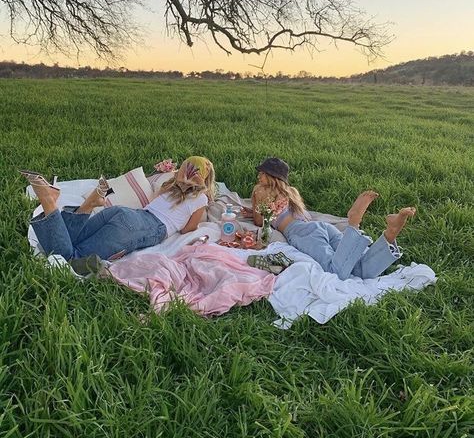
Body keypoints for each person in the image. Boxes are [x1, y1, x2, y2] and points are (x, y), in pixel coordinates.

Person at [247, 157, 416, 280]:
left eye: (262, 173)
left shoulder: (261, 190)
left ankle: (353, 224)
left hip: (300, 232)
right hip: (321, 227)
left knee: (334, 271)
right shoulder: (292, 192)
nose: (258, 177)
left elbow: (259, 221)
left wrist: (254, 207)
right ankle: (390, 235)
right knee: (358, 267)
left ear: (271, 176)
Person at [21, 156, 215, 262]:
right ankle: (48, 201)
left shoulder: (169, 186)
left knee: (72, 239)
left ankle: (90, 203)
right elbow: (188, 229)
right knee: (72, 258)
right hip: (143, 227)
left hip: (125, 213)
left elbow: (156, 198)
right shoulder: (201, 199)